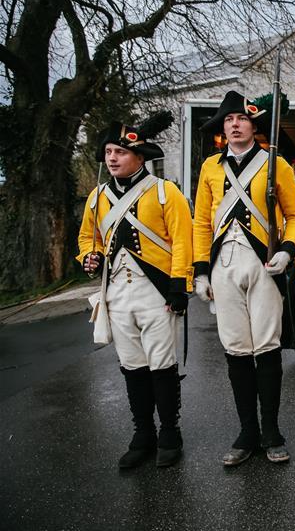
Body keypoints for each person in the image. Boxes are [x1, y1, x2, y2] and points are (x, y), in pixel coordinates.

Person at [192, 90, 295, 466]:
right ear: (223, 129)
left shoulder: (275, 164)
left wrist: (287, 250)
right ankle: (246, 431)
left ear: (254, 125)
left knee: (266, 347)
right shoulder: (210, 168)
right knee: (237, 348)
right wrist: (200, 271)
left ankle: (271, 430)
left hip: (263, 263)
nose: (235, 124)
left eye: (241, 118)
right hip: (223, 263)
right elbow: (202, 223)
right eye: (228, 120)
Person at [77, 111, 192, 468]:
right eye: (109, 152)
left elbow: (183, 241)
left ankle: (170, 431)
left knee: (161, 364)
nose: (112, 158)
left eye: (120, 152)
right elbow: (88, 238)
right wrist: (89, 256)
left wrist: (178, 287)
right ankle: (143, 432)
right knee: (132, 367)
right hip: (117, 295)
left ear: (139, 157)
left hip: (156, 292)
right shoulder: (96, 198)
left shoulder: (163, 192)